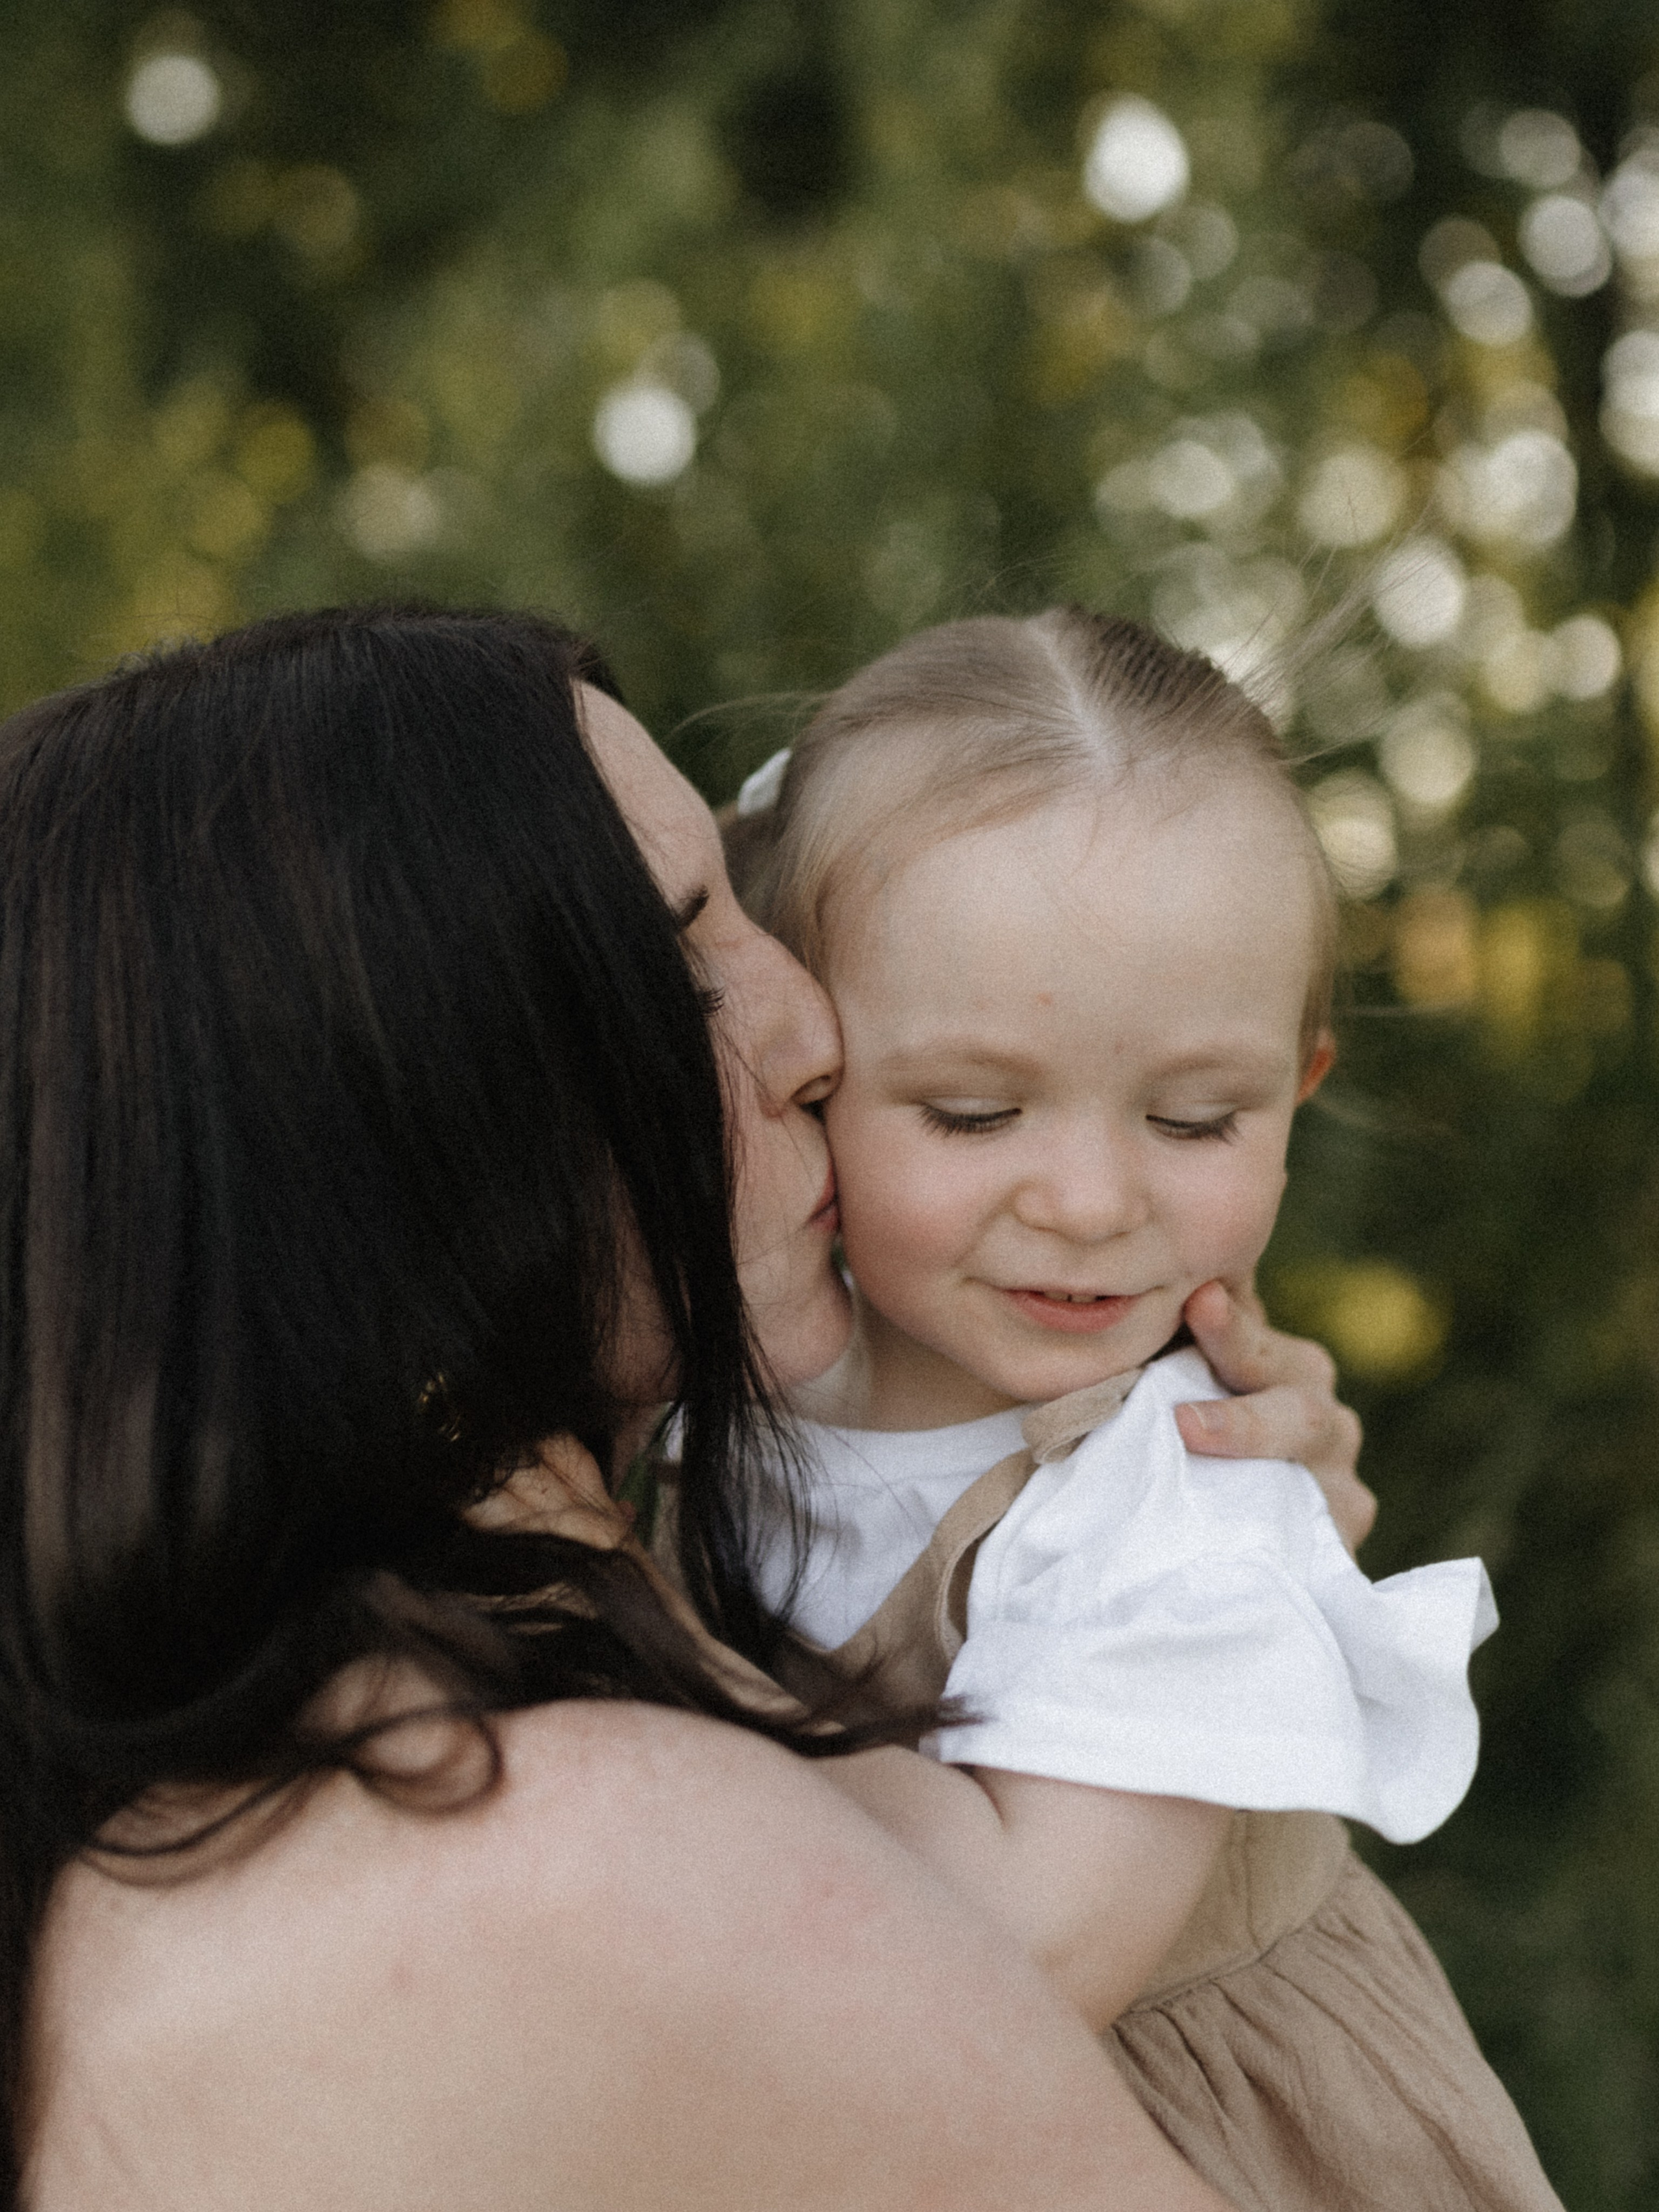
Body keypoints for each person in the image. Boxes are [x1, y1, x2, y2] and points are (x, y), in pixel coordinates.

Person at [6, 604, 1362, 2212]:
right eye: (678, 953)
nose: (810, 1026)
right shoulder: (566, 1845)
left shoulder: (153, 1765)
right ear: (410, 1117)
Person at [723, 608, 1563, 2211]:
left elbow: (1006, 1984)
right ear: (804, 1059)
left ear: (1295, 1088)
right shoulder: (751, 1385)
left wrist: (637, 1676)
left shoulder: (1184, 1503)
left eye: (1195, 1118)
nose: (1091, 1199)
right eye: (972, 1112)